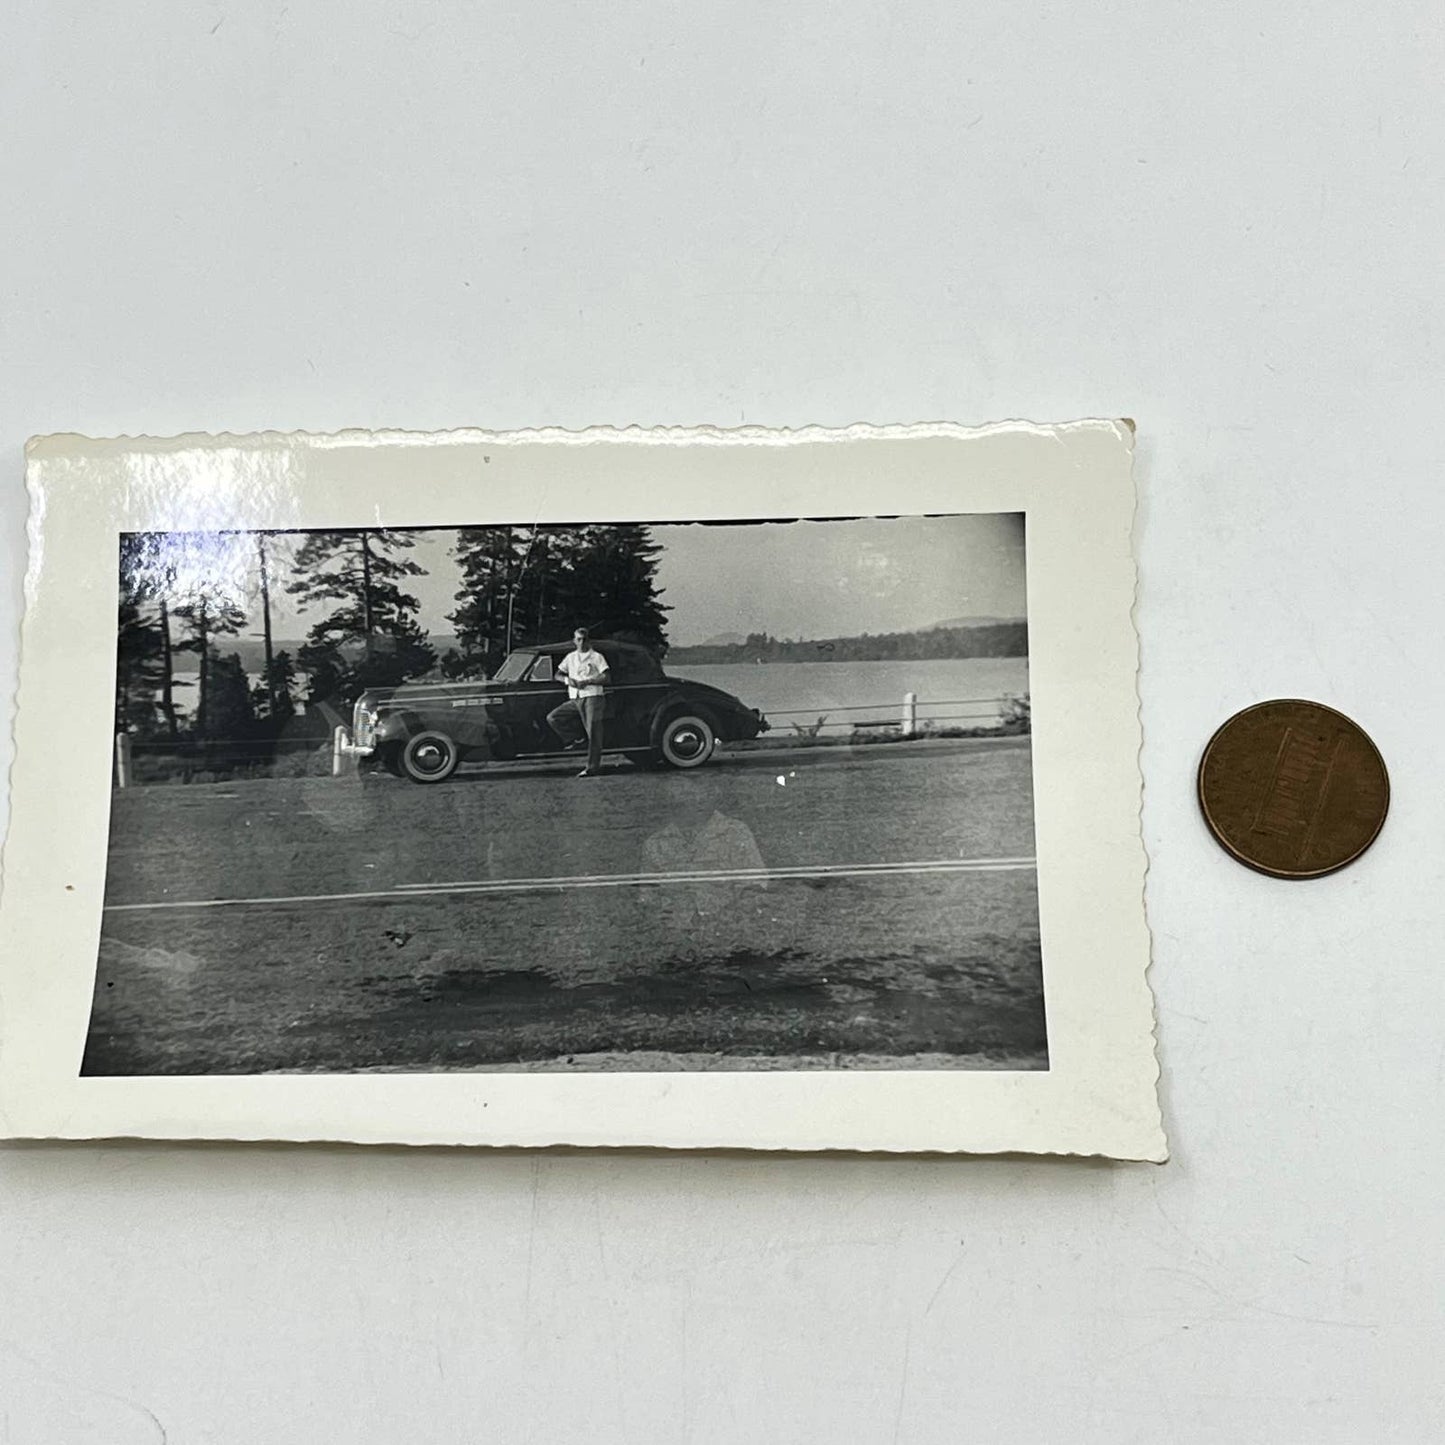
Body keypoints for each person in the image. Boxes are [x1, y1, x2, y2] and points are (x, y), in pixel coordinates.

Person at [547, 628, 611, 777]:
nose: (581, 643)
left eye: (584, 639)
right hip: (575, 697)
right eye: (579, 639)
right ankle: (575, 739)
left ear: (588, 640)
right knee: (553, 717)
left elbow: (606, 677)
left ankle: (592, 767)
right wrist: (567, 680)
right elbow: (557, 674)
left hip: (592, 696)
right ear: (574, 641)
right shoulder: (570, 657)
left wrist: (589, 681)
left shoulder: (596, 657)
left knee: (594, 732)